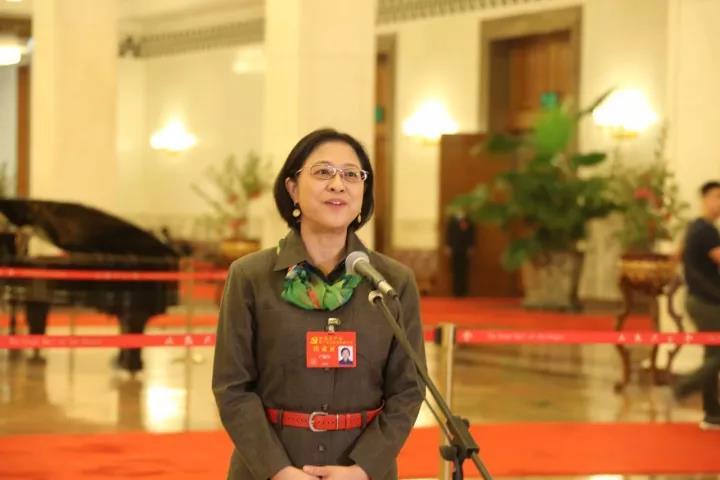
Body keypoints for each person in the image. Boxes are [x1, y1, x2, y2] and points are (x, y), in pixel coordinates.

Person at [212, 128, 427, 479]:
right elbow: (232, 388)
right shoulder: (250, 276)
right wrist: (278, 470)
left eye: (351, 175)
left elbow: (409, 388)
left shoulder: (392, 282)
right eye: (323, 172)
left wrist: (362, 469)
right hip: (268, 470)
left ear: (363, 192)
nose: (338, 184)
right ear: (292, 188)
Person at [674, 181, 720, 430]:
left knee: (713, 353)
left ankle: (712, 413)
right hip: (708, 301)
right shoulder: (707, 231)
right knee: (716, 354)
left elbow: (676, 254)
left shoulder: (694, 227)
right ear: (704, 199)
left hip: (699, 298)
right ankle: (686, 385)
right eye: (716, 197)